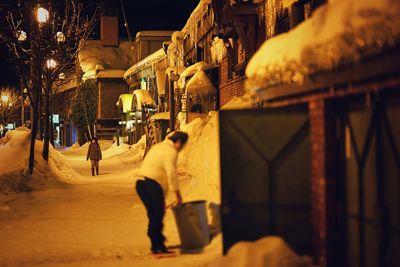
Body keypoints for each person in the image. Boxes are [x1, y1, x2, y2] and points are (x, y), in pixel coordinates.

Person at [136, 131, 188, 254]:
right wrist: (177, 192)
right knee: (157, 214)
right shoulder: (171, 151)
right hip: (151, 183)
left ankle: (156, 240)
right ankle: (158, 245)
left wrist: (163, 197)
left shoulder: (159, 146)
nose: (182, 148)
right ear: (179, 142)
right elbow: (171, 173)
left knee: (154, 213)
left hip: (140, 183)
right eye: (183, 145)